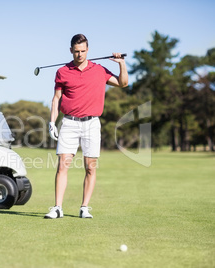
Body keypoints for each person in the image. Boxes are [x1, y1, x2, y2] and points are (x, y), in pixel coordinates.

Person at [44, 34, 128, 219]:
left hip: (92, 123)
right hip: (69, 123)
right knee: (63, 165)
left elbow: (123, 83)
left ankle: (84, 207)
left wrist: (121, 63)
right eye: (76, 51)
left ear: (88, 50)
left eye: (82, 51)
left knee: (91, 167)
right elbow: (56, 99)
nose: (79, 55)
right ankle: (58, 207)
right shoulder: (62, 72)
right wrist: (52, 122)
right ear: (70, 50)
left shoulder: (100, 70)